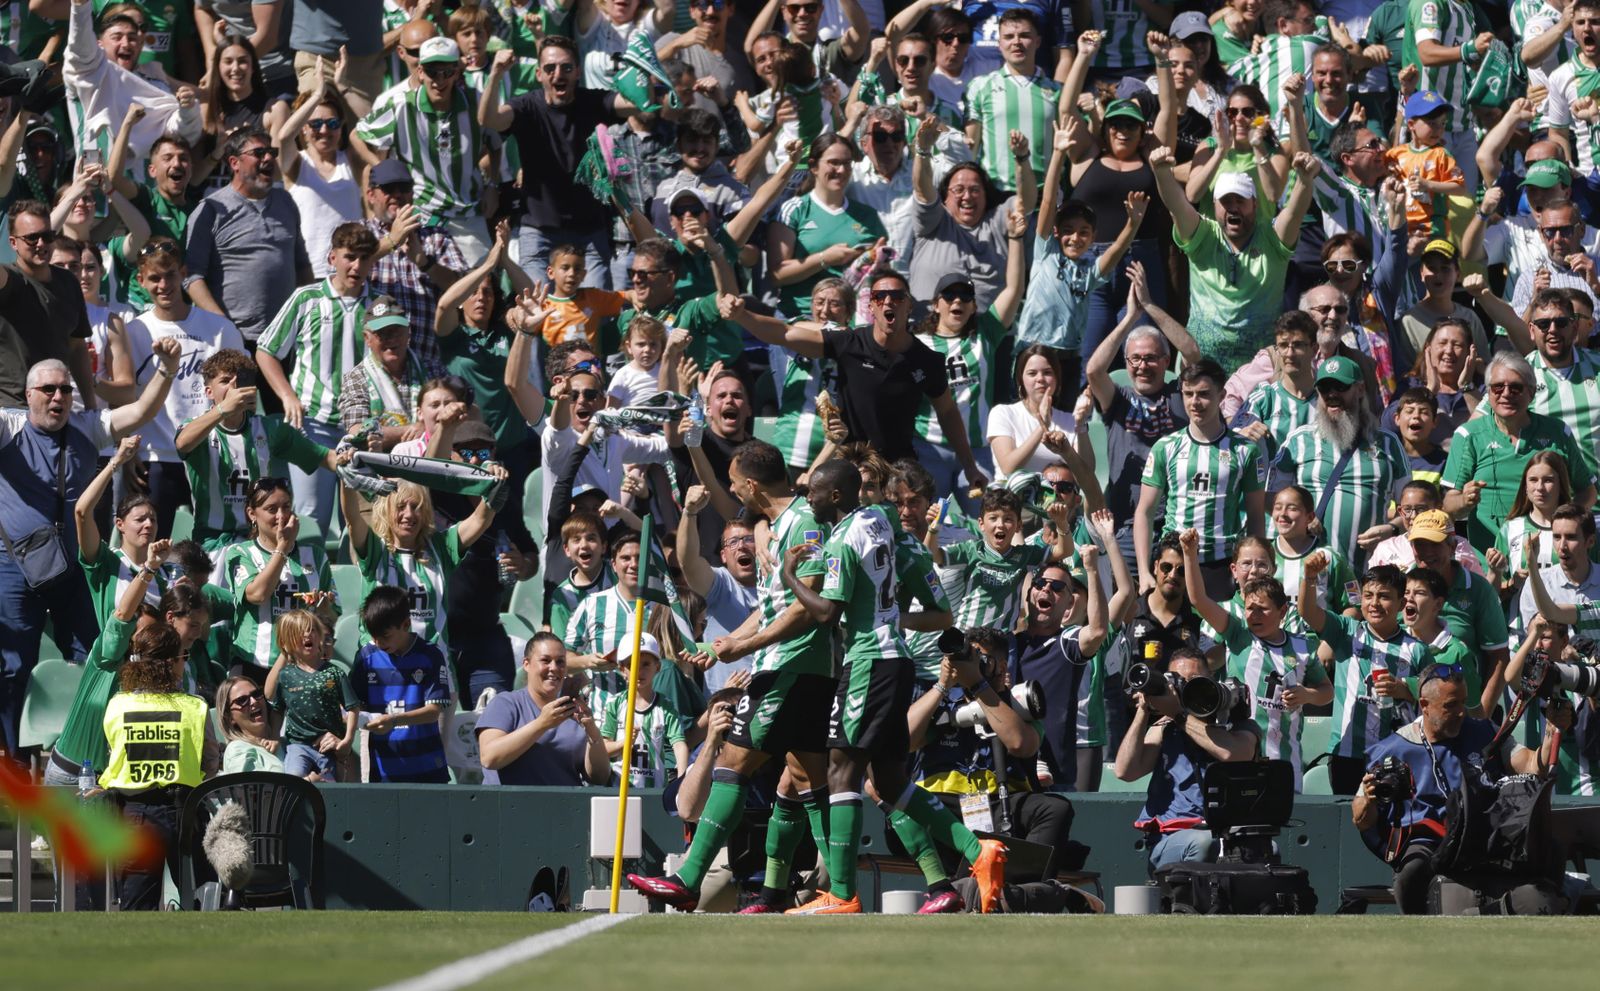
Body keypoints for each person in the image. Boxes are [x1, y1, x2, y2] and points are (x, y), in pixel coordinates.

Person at [775, 459, 1007, 914]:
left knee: (841, 769)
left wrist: (787, 574)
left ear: (838, 495)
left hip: (867, 661)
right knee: (889, 779)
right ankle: (977, 850)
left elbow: (826, 613)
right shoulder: (882, 525)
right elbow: (929, 601)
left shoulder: (843, 538)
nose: (809, 499)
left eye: (816, 492)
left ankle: (840, 895)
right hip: (896, 660)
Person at [0, 350, 177, 752]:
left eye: (65, 388)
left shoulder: (87, 426)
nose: (58, 396)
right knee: (11, 669)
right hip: (14, 567)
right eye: (48, 389)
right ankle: (11, 765)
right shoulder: (8, 426)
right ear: (28, 395)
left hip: (73, 569)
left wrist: (166, 368)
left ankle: (89, 753)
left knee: (96, 656)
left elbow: (141, 411)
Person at [1352, 665, 1559, 913]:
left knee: (1550, 849)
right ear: (1424, 705)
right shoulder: (1392, 749)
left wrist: (1551, 732)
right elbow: (1363, 819)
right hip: (1428, 837)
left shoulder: (1484, 731)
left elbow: (1529, 765)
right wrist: (1366, 801)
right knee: (1412, 871)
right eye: (1450, 705)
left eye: (1463, 702)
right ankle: (1419, 937)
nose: (1461, 712)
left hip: (1483, 830)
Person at [907, 625, 1078, 912]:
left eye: (980, 658)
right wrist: (942, 686)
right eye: (967, 658)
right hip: (944, 810)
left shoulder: (1020, 702)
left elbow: (1020, 744)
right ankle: (1017, 894)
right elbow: (905, 740)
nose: (970, 664)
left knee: (1054, 808)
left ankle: (1015, 889)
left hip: (1002, 805)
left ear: (1001, 665)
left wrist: (979, 686)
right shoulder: (940, 703)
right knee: (903, 801)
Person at [255, 225, 384, 530]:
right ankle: (308, 579)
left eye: (365, 258)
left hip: (363, 432)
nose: (356, 266)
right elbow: (265, 350)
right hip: (312, 425)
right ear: (332, 257)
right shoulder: (306, 299)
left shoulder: (380, 306)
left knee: (367, 522)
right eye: (349, 257)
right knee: (310, 519)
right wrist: (287, 395)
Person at [1150, 143, 1318, 373]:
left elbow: (1295, 211)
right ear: (1214, 205)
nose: (1233, 208)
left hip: (1259, 373)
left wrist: (1305, 180)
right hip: (1201, 372)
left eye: (1241, 201)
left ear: (1255, 204)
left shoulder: (1272, 240)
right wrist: (1161, 173)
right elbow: (1177, 205)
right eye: (1226, 201)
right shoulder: (1203, 236)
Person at [122, 237, 247, 535]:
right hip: (154, 458)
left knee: (214, 548)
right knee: (152, 548)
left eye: (170, 275)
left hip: (211, 455)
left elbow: (242, 393)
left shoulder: (219, 329)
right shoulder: (134, 332)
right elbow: (124, 397)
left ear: (183, 273)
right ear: (140, 281)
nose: (163, 285)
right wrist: (126, 452)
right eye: (154, 278)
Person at [480, 37, 627, 288]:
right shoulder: (527, 105)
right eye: (550, 68)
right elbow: (489, 119)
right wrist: (495, 73)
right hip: (539, 232)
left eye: (566, 68)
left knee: (593, 318)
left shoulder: (592, 101)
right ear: (539, 74)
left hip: (589, 233)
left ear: (578, 72)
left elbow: (636, 105)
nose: (558, 74)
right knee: (539, 314)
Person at [1113, 646, 1261, 872]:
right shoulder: (1165, 727)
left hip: (1228, 834)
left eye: (1194, 679)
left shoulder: (1238, 725)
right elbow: (1126, 771)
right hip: (1174, 836)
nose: (1186, 687)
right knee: (1202, 843)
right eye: (1178, 681)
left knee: (1266, 848)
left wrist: (1179, 715)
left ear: (1212, 679)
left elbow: (1234, 754)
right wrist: (1144, 710)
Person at [175, 350, 339, 551]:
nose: (234, 387)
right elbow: (182, 443)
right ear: (209, 392)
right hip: (212, 542)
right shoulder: (197, 428)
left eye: (240, 381)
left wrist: (350, 458)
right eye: (225, 381)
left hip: (260, 541)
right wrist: (223, 409)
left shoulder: (269, 429)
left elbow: (325, 457)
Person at [97, 619, 208, 910]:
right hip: (185, 813)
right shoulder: (195, 707)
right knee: (202, 904)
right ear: (172, 662)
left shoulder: (117, 705)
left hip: (136, 816)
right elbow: (210, 761)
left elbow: (114, 752)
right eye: (183, 657)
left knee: (136, 908)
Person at [1441, 352, 1596, 554]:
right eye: (1498, 387)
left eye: (1516, 387)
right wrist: (1464, 500)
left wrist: (1564, 524)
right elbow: (1448, 504)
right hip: (1491, 561)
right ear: (1488, 393)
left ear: (1531, 393)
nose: (1506, 393)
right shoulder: (1468, 435)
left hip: (1550, 557)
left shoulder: (1557, 432)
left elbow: (1588, 492)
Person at [1135, 359, 1265, 601]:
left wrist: (1256, 568)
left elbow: (1256, 516)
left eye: (1204, 394)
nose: (1195, 402)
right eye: (1188, 394)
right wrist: (1144, 571)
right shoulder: (1166, 447)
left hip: (1221, 564)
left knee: (1212, 639)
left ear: (1222, 395)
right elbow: (1144, 511)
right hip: (1173, 563)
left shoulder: (1246, 450)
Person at [355, 37, 492, 263]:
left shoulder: (475, 102)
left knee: (479, 290)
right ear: (420, 72)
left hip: (467, 215)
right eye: (432, 72)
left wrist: (492, 183)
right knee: (424, 287)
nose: (439, 80)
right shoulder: (401, 105)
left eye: (447, 72)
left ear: (457, 71)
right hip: (421, 214)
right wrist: (380, 166)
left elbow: (494, 144)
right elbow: (358, 134)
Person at [1299, 558, 1426, 794]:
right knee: (1348, 820)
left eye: (1384, 596)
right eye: (1368, 595)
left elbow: (1434, 690)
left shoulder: (1416, 649)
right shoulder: (1346, 631)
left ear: (1401, 603)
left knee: (1390, 822)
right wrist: (1309, 578)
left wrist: (1404, 687)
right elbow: (1308, 612)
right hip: (1346, 753)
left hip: (1396, 752)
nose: (1374, 603)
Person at [1272, 355, 1408, 564]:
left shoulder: (1388, 443)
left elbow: (1414, 508)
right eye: (1325, 389)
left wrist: (1392, 529)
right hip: (1306, 570)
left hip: (1369, 573)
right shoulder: (1298, 440)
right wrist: (1299, 522)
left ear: (1360, 389)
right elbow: (1270, 500)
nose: (1332, 395)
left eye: (1340, 387)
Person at [185, 128, 312, 345]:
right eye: (259, 153)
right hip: (235, 340)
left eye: (271, 152)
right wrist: (223, 325)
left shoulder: (285, 202)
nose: (269, 158)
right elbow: (192, 278)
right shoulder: (211, 210)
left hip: (285, 338)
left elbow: (301, 266)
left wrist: (308, 315)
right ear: (234, 162)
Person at [362, 158, 468, 375]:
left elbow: (463, 290)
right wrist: (391, 241)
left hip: (427, 365)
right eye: (389, 189)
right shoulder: (360, 234)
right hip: (373, 366)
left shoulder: (436, 237)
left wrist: (424, 262)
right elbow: (344, 273)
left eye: (404, 188)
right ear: (371, 195)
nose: (398, 195)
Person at [220, 477, 337, 673]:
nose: (281, 516)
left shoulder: (315, 556)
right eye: (272, 509)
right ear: (252, 514)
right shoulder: (240, 553)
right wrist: (283, 546)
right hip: (254, 664)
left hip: (303, 666)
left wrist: (324, 608)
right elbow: (258, 595)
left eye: (286, 507)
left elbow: (331, 616)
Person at [1407, 509, 1510, 715]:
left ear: (1452, 546)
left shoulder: (1479, 589)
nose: (1426, 551)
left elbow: (1498, 656)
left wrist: (1482, 715)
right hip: (1406, 712)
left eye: (1434, 544)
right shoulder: (1401, 585)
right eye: (1419, 544)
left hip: (1460, 713)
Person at [476, 632, 612, 786]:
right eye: (545, 661)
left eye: (560, 662)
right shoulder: (506, 703)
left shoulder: (575, 710)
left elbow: (599, 777)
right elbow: (489, 758)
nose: (554, 668)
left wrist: (592, 731)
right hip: (510, 806)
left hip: (564, 806)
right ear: (526, 664)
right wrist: (542, 723)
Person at [928, 488, 1073, 631]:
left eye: (1008, 519)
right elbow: (930, 553)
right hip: (966, 637)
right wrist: (933, 528)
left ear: (1019, 526)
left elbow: (1064, 551)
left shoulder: (1024, 555)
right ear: (981, 524)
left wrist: (1062, 523)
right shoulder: (971, 550)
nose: (1000, 524)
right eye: (993, 518)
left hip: (1002, 643)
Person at [350, 584, 452, 783]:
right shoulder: (366, 657)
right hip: (383, 769)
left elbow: (433, 712)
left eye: (385, 636)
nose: (378, 643)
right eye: (374, 637)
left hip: (427, 767)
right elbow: (354, 706)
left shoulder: (431, 655)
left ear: (406, 624)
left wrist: (394, 720)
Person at [0, 200, 96, 408]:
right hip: (11, 410)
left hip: (56, 409)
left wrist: (91, 406)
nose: (41, 244)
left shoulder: (68, 281)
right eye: (31, 238)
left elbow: (77, 346)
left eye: (47, 236)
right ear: (13, 243)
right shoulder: (9, 280)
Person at [279, 57, 366, 280]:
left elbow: (377, 124)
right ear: (304, 130)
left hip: (351, 271)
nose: (324, 130)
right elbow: (284, 136)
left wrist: (343, 87)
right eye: (315, 124)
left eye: (333, 123)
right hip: (308, 272)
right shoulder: (297, 163)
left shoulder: (351, 161)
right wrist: (317, 94)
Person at [960, 9, 1060, 194]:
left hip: (1045, 196)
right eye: (1008, 37)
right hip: (995, 198)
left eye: (1024, 35)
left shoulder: (1057, 91)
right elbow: (971, 148)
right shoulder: (979, 87)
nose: (1016, 42)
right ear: (999, 44)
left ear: (1037, 41)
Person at [676, 485, 759, 694]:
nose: (741, 546)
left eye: (749, 539)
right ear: (723, 556)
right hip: (725, 701)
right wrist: (690, 512)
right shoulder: (720, 583)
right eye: (733, 542)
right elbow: (688, 561)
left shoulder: (778, 584)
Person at [265, 608, 357, 780]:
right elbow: (277, 710)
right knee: (294, 781)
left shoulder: (334, 673)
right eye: (300, 632)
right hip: (297, 746)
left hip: (328, 748)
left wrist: (347, 740)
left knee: (331, 789)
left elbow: (353, 708)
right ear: (285, 644)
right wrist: (275, 737)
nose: (308, 634)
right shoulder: (285, 676)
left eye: (312, 630)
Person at [988, 344, 1092, 479]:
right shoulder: (1003, 413)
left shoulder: (1071, 421)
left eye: (1047, 372)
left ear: (1057, 379)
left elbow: (1088, 473)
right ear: (1021, 380)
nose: (1040, 379)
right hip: (1011, 497)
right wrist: (1043, 425)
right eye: (1032, 373)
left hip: (1058, 498)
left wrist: (1081, 427)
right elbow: (1009, 468)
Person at [339, 298, 428, 450]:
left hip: (426, 462)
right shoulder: (356, 377)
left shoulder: (430, 369)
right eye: (383, 334)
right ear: (367, 338)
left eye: (397, 331)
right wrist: (423, 429)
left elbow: (468, 409)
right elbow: (358, 433)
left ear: (408, 333)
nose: (392, 339)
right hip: (375, 468)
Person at [218, 676, 315, 777]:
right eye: (242, 700)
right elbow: (253, 790)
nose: (254, 701)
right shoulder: (237, 749)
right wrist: (309, 781)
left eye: (256, 694)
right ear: (229, 717)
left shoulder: (288, 742)